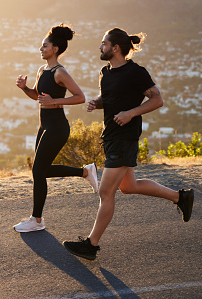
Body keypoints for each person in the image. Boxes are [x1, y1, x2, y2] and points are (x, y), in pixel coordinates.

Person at [63, 28, 194, 260]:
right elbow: (112, 99)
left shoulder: (136, 72)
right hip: (111, 135)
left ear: (115, 48)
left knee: (106, 191)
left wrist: (131, 113)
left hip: (125, 136)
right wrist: (98, 103)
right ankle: (180, 197)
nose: (100, 47)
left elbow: (157, 99)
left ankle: (91, 245)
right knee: (128, 186)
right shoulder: (105, 73)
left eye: (104, 43)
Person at [13, 24, 98, 233]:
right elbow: (38, 96)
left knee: (38, 171)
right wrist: (25, 88)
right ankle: (85, 172)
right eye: (41, 46)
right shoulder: (42, 70)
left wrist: (55, 102)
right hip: (44, 126)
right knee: (40, 170)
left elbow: (80, 97)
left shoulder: (60, 72)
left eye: (45, 46)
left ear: (55, 49)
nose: (41, 49)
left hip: (58, 127)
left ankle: (37, 220)